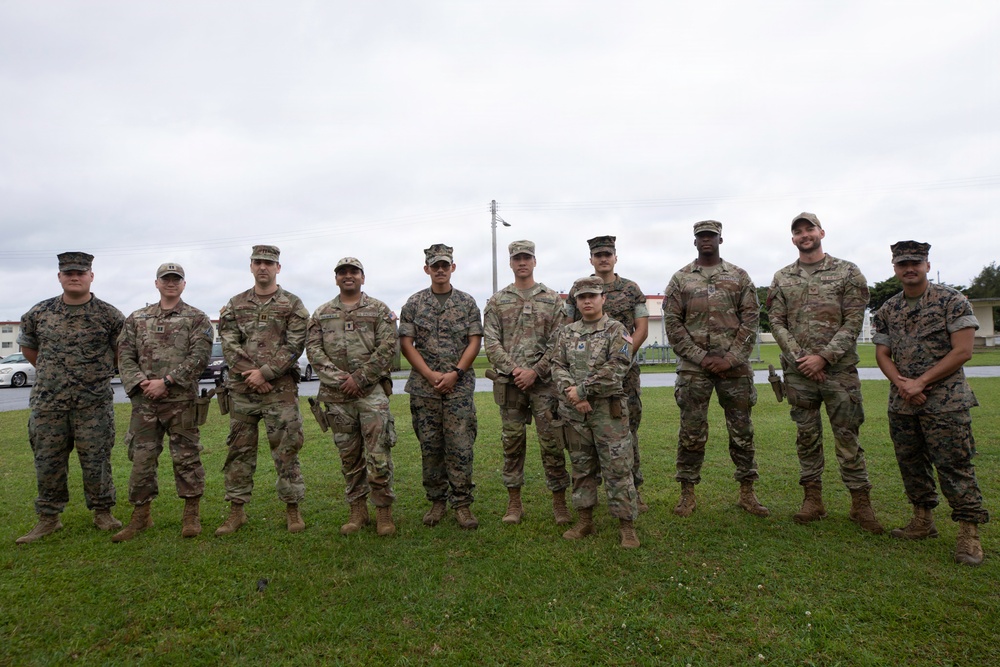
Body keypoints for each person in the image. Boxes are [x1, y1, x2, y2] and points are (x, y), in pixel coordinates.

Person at [873, 240, 989, 566]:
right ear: (894, 267)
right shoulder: (888, 309)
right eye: (902, 263)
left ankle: (969, 532)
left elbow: (963, 350)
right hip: (903, 401)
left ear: (927, 263)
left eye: (916, 262)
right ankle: (922, 520)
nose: (909, 268)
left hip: (946, 401)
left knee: (954, 464)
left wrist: (921, 382)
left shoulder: (952, 301)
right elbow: (882, 353)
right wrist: (903, 385)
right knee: (911, 463)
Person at [766, 213, 883, 533]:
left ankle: (861, 504)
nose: (804, 235)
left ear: (821, 232)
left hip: (839, 372)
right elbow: (776, 322)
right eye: (798, 231)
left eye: (809, 229)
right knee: (807, 438)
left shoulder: (847, 272)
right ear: (793, 239)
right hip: (799, 374)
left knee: (848, 438)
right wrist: (803, 359)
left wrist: (825, 358)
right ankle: (812, 500)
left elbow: (854, 320)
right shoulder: (782, 277)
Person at [15, 252, 125, 544]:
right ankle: (49, 518)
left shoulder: (109, 315)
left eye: (80, 272)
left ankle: (103, 512)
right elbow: (30, 349)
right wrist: (55, 374)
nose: (74, 277)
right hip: (49, 404)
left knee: (97, 460)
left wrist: (93, 374)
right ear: (59, 277)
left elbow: (122, 352)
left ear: (91, 276)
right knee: (48, 461)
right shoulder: (39, 312)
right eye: (68, 273)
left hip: (93, 403)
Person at [663, 220, 768, 518]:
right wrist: (699, 356)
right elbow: (673, 323)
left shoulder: (739, 276)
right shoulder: (681, 279)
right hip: (693, 370)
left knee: (742, 430)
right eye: (701, 237)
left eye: (711, 236)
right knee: (691, 432)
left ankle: (747, 492)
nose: (706, 240)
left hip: (734, 369)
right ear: (694, 241)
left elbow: (751, 320)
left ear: (721, 239)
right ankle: (687, 493)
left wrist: (731, 358)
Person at [112, 262, 215, 542]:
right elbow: (124, 355)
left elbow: (199, 357)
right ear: (156, 283)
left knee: (187, 457)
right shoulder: (137, 318)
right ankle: (141, 516)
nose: (171, 283)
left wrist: (167, 381)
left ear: (184, 284)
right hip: (145, 403)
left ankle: (191, 513)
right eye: (165, 279)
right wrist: (142, 383)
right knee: (142, 459)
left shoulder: (197, 318)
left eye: (176, 279)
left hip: (181, 401)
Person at [215, 245, 309, 536]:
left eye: (269, 262)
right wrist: (251, 374)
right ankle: (236, 512)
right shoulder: (235, 304)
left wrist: (266, 373)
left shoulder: (292, 304)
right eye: (258, 262)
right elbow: (229, 343)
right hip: (243, 391)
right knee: (239, 451)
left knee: (286, 449)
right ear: (251, 266)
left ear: (278, 268)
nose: (263, 267)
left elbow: (295, 344)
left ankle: (292, 509)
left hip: (279, 390)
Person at [307, 257, 400, 536]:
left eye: (353, 272)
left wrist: (359, 378)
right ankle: (357, 511)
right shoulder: (322, 313)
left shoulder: (379, 310)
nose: (348, 276)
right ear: (336, 278)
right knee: (349, 457)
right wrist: (340, 379)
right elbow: (313, 350)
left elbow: (388, 346)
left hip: (371, 394)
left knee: (378, 454)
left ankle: (383, 512)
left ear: (362, 277)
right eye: (342, 272)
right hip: (337, 398)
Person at [483, 240, 572, 525]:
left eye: (527, 257)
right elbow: (491, 341)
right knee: (512, 442)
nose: (522, 262)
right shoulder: (498, 300)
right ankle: (514, 503)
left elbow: (561, 340)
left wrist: (535, 370)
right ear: (510, 263)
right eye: (517, 258)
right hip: (511, 385)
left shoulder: (551, 299)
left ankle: (559, 503)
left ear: (535, 261)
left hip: (544, 384)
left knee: (552, 443)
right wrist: (515, 370)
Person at [399, 244, 483, 530]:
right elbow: (406, 343)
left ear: (453, 268)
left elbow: (474, 341)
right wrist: (429, 374)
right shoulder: (413, 304)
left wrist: (456, 373)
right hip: (425, 389)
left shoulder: (467, 302)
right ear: (427, 269)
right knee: (431, 446)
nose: (440, 270)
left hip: (458, 388)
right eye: (435, 266)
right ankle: (437, 501)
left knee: (461, 445)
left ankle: (462, 503)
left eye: (445, 265)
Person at [552, 276, 639, 548]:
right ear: (575, 302)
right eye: (581, 297)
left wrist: (584, 390)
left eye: (592, 296)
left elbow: (619, 367)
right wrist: (573, 394)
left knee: (617, 468)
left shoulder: (617, 330)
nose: (587, 301)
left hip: (607, 413)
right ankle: (585, 520)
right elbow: (557, 365)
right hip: (575, 413)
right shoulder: (567, 332)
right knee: (581, 466)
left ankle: (626, 526)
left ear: (603, 298)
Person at [565, 235, 650, 511]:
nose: (603, 258)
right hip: (584, 376)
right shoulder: (578, 289)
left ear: (615, 257)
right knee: (585, 435)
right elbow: (568, 327)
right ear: (591, 259)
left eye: (608, 254)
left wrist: (621, 360)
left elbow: (641, 328)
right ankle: (592, 493)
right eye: (598, 254)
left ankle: (632, 490)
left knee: (627, 431)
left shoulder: (631, 289)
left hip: (623, 374)